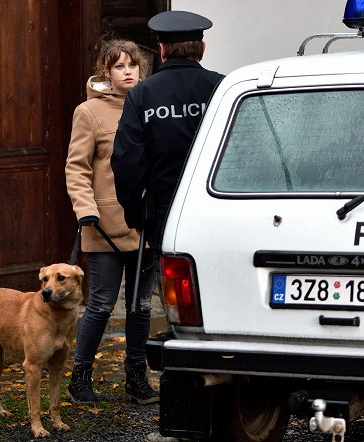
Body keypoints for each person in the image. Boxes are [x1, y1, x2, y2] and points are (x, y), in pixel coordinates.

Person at [65, 38, 158, 405]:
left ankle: (136, 377)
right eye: (119, 66)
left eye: (133, 65)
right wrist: (85, 208)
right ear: (106, 71)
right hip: (103, 225)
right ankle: (80, 377)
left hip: (145, 225)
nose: (128, 71)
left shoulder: (151, 105)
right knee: (102, 304)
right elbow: (77, 167)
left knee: (141, 305)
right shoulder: (88, 111)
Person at [111, 11, 225, 252]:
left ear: (162, 50)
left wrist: (136, 215)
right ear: (202, 48)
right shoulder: (222, 87)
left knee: (174, 287)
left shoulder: (142, 95)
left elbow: (127, 163)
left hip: (166, 212)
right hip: (219, 209)